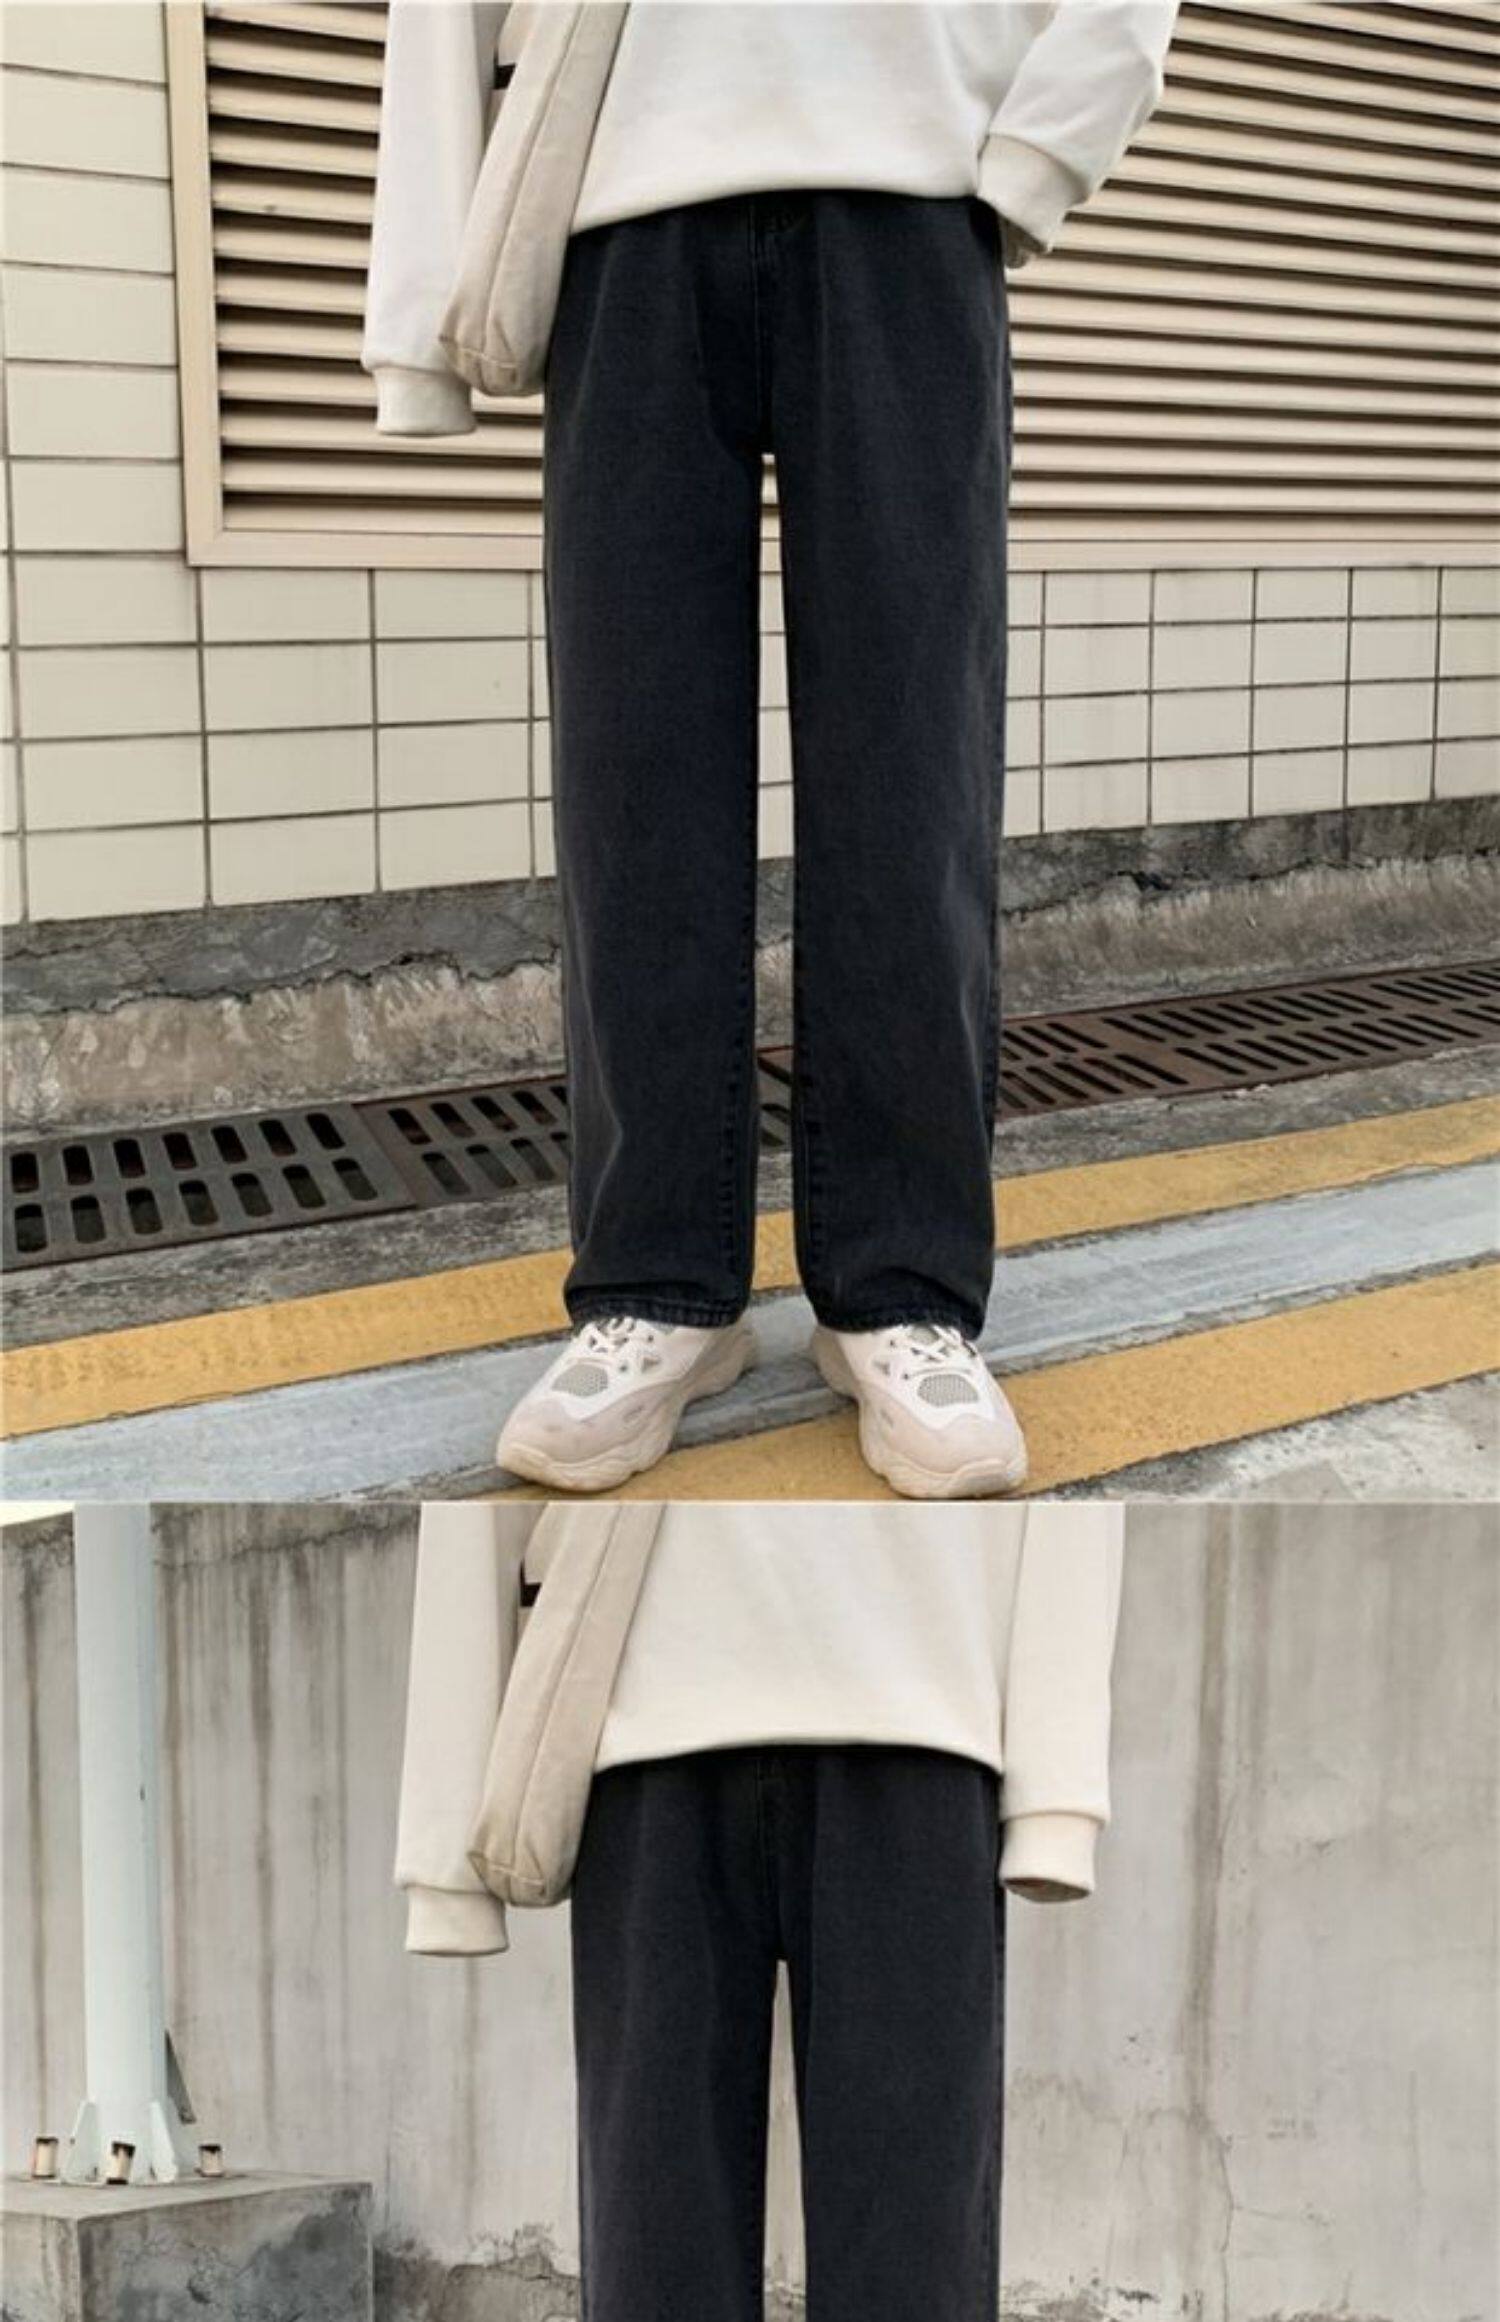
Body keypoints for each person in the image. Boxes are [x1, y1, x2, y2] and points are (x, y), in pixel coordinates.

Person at [363, 4, 1180, 1496]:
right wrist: (420, 319)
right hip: (618, 210)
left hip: (913, 202)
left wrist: (1038, 153)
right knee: (633, 782)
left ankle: (903, 1290)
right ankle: (655, 1283)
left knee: (913, 777)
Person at [396, 1497, 1124, 2320]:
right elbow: (472, 1515)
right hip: (648, 1705)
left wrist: (1057, 1791)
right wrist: (443, 1845)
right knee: (654, 2260)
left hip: (916, 1705)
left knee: (913, 2267)